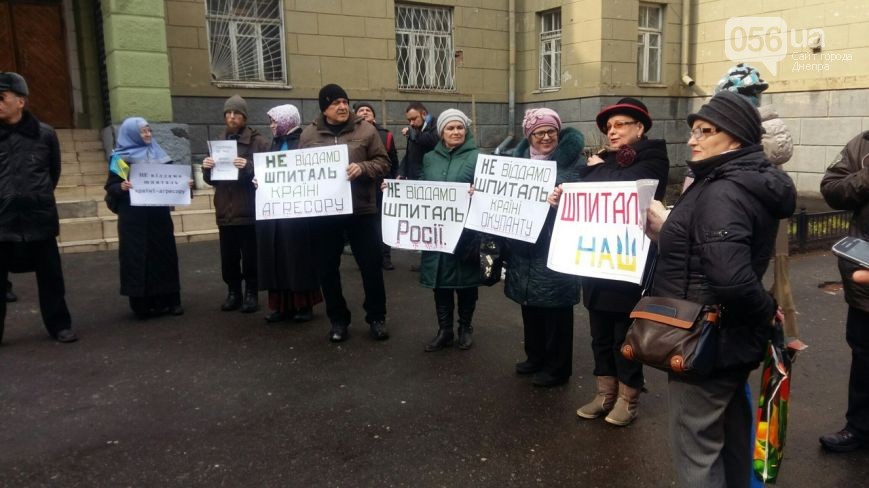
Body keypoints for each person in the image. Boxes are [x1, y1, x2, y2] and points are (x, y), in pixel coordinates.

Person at [645, 91, 795, 487]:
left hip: (703, 341)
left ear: (737, 138)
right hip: (724, 340)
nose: (694, 139)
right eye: (693, 130)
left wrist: (764, 311)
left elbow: (729, 277)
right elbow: (714, 252)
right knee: (728, 440)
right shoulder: (733, 182)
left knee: (696, 450)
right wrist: (667, 232)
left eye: (706, 131)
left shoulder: (722, 191)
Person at [554, 97, 668, 425]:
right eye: (608, 127)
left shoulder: (652, 157)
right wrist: (562, 196)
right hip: (596, 262)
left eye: (620, 125)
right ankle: (605, 392)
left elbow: (624, 187)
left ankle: (628, 398)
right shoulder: (604, 161)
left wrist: (595, 168)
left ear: (640, 128)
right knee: (599, 333)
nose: (612, 132)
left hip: (627, 263)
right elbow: (584, 194)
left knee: (625, 336)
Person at [299, 84, 391, 343]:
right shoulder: (308, 135)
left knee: (371, 266)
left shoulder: (366, 130)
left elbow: (384, 162)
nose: (341, 106)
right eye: (334, 102)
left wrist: (363, 168)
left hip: (361, 210)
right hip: (325, 214)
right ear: (323, 108)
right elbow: (298, 174)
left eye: (344, 101)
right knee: (327, 268)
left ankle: (376, 318)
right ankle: (338, 319)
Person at [506, 108, 585, 386]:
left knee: (557, 309)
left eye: (551, 131)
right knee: (531, 305)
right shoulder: (516, 163)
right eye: (539, 133)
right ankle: (535, 356)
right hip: (524, 246)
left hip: (556, 244)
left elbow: (582, 198)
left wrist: (561, 197)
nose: (546, 137)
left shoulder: (575, 162)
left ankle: (558, 367)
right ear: (529, 136)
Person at [0, 72, 77, 344]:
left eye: (2, 97)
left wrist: (36, 196)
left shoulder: (44, 134)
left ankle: (59, 326)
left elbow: (52, 173)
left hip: (39, 218)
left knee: (51, 279)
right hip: (3, 221)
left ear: (20, 101)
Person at [104, 117, 186, 319]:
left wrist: (184, 185)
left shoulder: (159, 154)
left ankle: (170, 300)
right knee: (137, 257)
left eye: (149, 131)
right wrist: (121, 187)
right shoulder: (121, 159)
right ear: (131, 134)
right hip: (134, 219)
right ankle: (142, 304)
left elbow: (172, 181)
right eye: (143, 132)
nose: (148, 135)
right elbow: (111, 186)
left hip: (158, 216)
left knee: (164, 255)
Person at [819, 130, 869, 452]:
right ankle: (860, 429)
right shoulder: (862, 144)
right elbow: (832, 189)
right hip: (865, 282)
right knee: (864, 357)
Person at [416, 109, 480, 352]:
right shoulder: (430, 158)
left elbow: (489, 191)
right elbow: (423, 186)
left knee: (465, 283)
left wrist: (479, 192)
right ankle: (445, 330)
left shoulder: (477, 157)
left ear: (466, 129)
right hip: (437, 233)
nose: (455, 132)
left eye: (460, 127)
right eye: (450, 128)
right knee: (440, 282)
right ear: (442, 132)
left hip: (465, 233)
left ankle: (465, 327)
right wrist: (397, 189)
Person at [202, 94, 269, 314]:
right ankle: (233, 292)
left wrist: (249, 166)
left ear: (244, 117)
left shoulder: (258, 142)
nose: (232, 117)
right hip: (225, 209)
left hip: (248, 209)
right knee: (228, 257)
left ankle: (251, 292)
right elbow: (211, 180)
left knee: (250, 256)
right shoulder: (218, 142)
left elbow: (268, 175)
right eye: (228, 114)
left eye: (236, 113)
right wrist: (206, 168)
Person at [256, 104, 322, 324]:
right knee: (276, 258)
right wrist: (258, 180)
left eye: (275, 121)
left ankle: (303, 304)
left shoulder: (304, 143)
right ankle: (280, 306)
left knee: (297, 258)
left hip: (297, 216)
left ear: (286, 121)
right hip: (274, 214)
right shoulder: (273, 145)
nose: (272, 125)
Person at [354, 102, 399, 270]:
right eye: (361, 110)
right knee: (364, 224)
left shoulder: (385, 135)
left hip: (382, 187)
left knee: (383, 222)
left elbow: (393, 161)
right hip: (360, 187)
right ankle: (367, 258)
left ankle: (385, 257)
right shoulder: (350, 134)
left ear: (374, 116)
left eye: (368, 110)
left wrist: (394, 180)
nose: (365, 112)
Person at [399, 102, 438, 181]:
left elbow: (433, 140)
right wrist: (401, 172)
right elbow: (410, 154)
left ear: (423, 114)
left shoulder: (436, 125)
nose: (411, 123)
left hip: (429, 180)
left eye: (413, 119)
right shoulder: (414, 131)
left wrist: (411, 134)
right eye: (409, 120)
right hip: (414, 179)